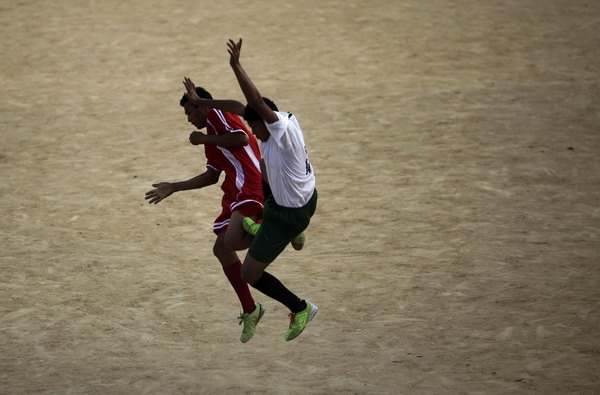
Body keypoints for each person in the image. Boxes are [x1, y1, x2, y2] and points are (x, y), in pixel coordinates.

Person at [183, 38, 318, 341]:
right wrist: (204, 102)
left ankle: (300, 308)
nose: (252, 132)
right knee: (264, 169)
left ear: (265, 120)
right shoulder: (287, 119)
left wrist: (236, 65)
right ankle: (267, 226)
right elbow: (244, 107)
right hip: (303, 198)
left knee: (248, 270)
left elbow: (254, 105)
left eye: (254, 126)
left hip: (289, 213)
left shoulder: (276, 129)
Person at [145, 85, 266, 343]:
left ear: (202, 106)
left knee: (234, 240)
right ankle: (250, 309)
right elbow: (212, 176)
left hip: (252, 182)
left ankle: (275, 225)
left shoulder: (217, 116)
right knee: (222, 249)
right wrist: (174, 187)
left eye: (190, 112)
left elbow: (241, 139)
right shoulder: (210, 137)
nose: (189, 119)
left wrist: (205, 139)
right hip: (235, 190)